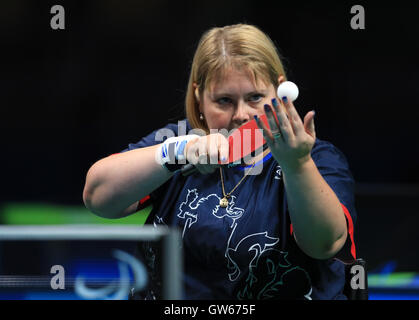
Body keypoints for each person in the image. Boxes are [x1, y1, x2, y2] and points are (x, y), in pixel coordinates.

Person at [82, 24, 357, 300]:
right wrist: (173, 153)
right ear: (199, 97)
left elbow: (325, 244)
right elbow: (98, 198)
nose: (241, 114)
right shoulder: (180, 141)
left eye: (255, 97)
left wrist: (297, 164)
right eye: (224, 100)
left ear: (279, 90)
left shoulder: (318, 157)